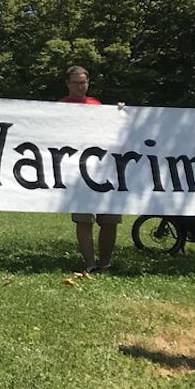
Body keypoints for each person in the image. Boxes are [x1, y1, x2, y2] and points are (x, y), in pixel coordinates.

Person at [60, 65, 119, 272]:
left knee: (110, 219)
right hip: (77, 172)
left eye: (83, 82)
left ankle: (105, 263)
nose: (80, 86)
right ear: (68, 84)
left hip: (104, 169)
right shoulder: (59, 108)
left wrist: (119, 112)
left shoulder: (97, 105)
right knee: (84, 220)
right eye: (76, 83)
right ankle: (90, 264)